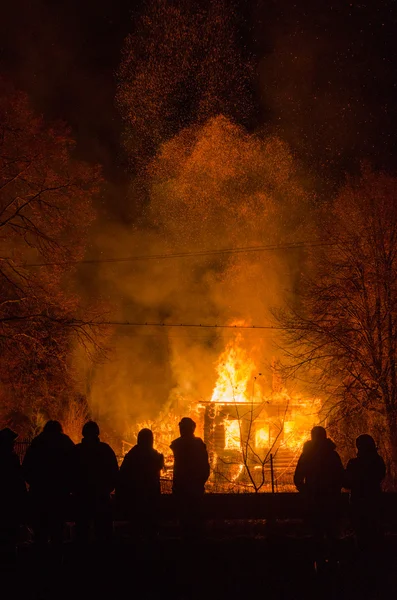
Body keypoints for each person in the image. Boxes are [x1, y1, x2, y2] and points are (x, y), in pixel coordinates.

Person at [294, 426, 345, 568]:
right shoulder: (332, 455)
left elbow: (298, 478)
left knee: (316, 533)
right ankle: (334, 563)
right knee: (331, 532)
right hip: (331, 500)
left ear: (312, 437)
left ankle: (318, 563)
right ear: (325, 436)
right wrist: (335, 490)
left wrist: (306, 491)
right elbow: (341, 476)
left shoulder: (307, 455)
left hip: (314, 501)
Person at [22, 420, 74, 546]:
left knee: (40, 531)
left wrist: (35, 483)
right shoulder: (65, 442)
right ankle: (57, 559)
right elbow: (75, 465)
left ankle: (40, 559)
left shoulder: (37, 442)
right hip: (60, 493)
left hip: (40, 492)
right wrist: (69, 485)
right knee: (57, 529)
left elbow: (26, 468)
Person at [72, 421, 119, 544]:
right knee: (104, 533)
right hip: (101, 497)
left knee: (82, 532)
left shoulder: (77, 450)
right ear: (97, 433)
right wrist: (108, 488)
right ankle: (103, 559)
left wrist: (74, 490)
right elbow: (114, 472)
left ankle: (81, 559)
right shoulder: (105, 450)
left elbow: (69, 472)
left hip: (82, 497)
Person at [117, 428, 164, 539]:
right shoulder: (155, 456)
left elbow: (122, 475)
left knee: (136, 530)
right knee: (150, 531)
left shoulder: (132, 455)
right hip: (150, 499)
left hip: (135, 498)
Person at [170, 417, 210, 541]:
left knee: (184, 523)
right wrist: (199, 482)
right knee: (196, 522)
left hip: (181, 491)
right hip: (195, 490)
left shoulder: (177, 445)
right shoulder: (199, 445)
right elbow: (205, 468)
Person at [345, 434, 386, 549]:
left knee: (360, 531)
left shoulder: (354, 463)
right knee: (374, 529)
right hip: (374, 499)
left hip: (358, 501)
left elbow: (347, 482)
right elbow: (380, 476)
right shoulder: (378, 461)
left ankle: (362, 557)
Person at [0, 428, 26, 555]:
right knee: (10, 530)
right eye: (12, 442)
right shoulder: (11, 458)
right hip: (10, 500)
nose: (14, 444)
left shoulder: (9, 457)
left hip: (6, 499)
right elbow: (18, 479)